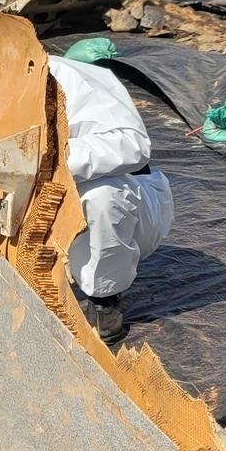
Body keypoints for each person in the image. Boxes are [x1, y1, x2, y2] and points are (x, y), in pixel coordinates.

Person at [48, 56, 174, 347]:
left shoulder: (67, 76)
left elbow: (132, 145)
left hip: (131, 202)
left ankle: (104, 302)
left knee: (101, 195)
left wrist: (46, 155)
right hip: (43, 202)